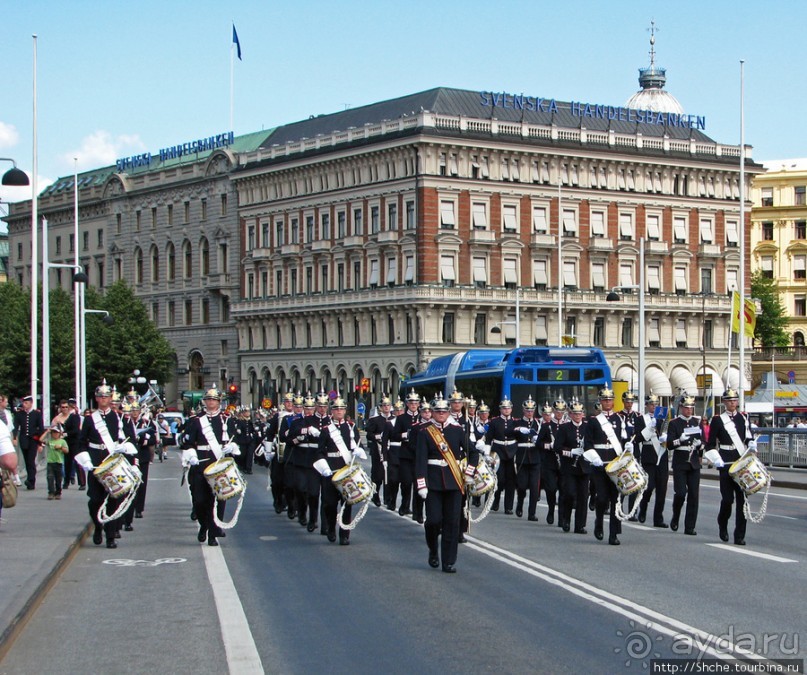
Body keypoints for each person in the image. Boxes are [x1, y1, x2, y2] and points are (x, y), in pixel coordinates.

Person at [415, 395, 478, 573]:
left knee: (452, 523)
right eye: (437, 411)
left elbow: (473, 454)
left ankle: (448, 561)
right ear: (432, 413)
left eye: (444, 411)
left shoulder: (457, 430)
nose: (441, 414)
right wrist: (421, 484)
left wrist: (469, 473)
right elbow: (420, 460)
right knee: (433, 521)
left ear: (448, 412)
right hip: (433, 483)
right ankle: (433, 549)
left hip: (454, 482)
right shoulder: (425, 432)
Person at [182, 386, 239, 546]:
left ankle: (213, 533)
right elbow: (187, 442)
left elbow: (235, 440)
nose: (211, 402)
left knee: (219, 500)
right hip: (201, 465)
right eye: (208, 400)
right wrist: (192, 454)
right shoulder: (196, 421)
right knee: (200, 501)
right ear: (205, 402)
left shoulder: (227, 420)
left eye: (214, 400)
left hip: (219, 466)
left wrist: (232, 447)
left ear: (219, 402)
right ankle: (203, 525)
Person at [78, 380, 131, 548]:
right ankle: (98, 525)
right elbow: (81, 442)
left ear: (110, 398)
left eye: (106, 397)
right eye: (100, 397)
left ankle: (110, 536)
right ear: (96, 398)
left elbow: (123, 437)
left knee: (114, 499)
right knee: (95, 499)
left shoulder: (117, 417)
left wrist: (124, 447)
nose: (103, 399)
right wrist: (84, 459)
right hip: (95, 461)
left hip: (112, 462)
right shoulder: (89, 419)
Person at [312, 396, 365, 544]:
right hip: (331, 469)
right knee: (329, 503)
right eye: (336, 409)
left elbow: (354, 444)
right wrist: (324, 467)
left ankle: (344, 534)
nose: (339, 411)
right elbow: (320, 451)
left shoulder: (350, 427)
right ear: (332, 411)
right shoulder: (326, 430)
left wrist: (358, 451)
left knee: (347, 503)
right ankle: (330, 527)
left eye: (342, 409)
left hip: (345, 470)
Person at [706, 388, 755, 546]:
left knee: (742, 501)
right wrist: (716, 459)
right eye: (729, 401)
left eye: (735, 401)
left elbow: (748, 437)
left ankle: (739, 535)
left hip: (740, 463)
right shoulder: (718, 420)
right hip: (725, 462)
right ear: (724, 402)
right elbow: (710, 444)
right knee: (727, 500)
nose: (732, 403)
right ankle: (722, 523)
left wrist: (752, 443)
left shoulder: (743, 418)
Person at [585, 387, 627, 545]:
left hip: (615, 466)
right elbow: (587, 443)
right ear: (600, 402)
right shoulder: (594, 421)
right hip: (600, 465)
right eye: (604, 400)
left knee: (616, 500)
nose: (607, 402)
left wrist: (629, 448)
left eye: (610, 400)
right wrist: (593, 456)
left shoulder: (619, 420)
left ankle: (614, 534)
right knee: (602, 498)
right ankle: (599, 521)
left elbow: (625, 440)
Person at [666, 393, 702, 535]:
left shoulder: (696, 422)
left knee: (694, 495)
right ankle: (676, 516)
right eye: (686, 408)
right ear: (681, 408)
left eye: (691, 408)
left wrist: (700, 446)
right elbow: (669, 444)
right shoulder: (674, 423)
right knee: (681, 493)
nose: (689, 410)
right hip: (680, 461)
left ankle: (690, 526)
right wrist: (680, 440)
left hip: (693, 463)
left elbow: (702, 441)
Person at [554, 398, 589, 534]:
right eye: (575, 413)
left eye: (580, 413)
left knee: (583, 496)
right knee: (569, 494)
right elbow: (557, 447)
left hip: (584, 466)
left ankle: (580, 525)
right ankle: (566, 519)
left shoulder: (587, 427)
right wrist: (571, 452)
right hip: (569, 467)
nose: (578, 415)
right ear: (570, 414)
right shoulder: (564, 428)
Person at [634, 393, 668, 527]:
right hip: (649, 456)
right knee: (649, 487)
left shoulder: (663, 417)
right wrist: (650, 428)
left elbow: (668, 432)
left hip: (662, 454)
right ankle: (643, 507)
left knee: (662, 489)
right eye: (651, 404)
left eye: (655, 404)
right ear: (647, 405)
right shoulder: (641, 419)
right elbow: (638, 438)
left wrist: (666, 437)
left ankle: (658, 518)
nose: (654, 406)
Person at [390, 389, 422, 516]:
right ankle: (404, 505)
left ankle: (417, 512)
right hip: (406, 455)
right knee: (406, 483)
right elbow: (394, 435)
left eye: (415, 403)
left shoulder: (422, 417)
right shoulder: (402, 418)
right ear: (407, 404)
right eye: (411, 403)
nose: (413, 405)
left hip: (419, 455)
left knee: (418, 484)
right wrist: (405, 435)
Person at [485, 397, 518, 514]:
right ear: (500, 409)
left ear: (511, 409)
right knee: (499, 479)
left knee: (511, 480)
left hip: (512, 451)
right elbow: (489, 439)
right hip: (498, 452)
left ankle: (508, 507)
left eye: (508, 408)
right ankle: (495, 501)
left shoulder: (515, 422)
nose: (506, 410)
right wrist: (487, 453)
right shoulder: (494, 422)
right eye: (504, 408)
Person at [514, 396, 541, 521]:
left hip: (535, 458)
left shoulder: (539, 423)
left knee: (534, 488)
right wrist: (519, 429)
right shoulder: (518, 422)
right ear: (523, 410)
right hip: (522, 457)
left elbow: (544, 438)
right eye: (527, 410)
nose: (529, 412)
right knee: (522, 486)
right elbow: (508, 432)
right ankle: (520, 503)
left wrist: (538, 440)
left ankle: (532, 513)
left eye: (532, 410)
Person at [364, 394, 394, 508]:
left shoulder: (394, 419)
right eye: (384, 405)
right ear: (380, 407)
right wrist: (377, 436)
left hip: (390, 450)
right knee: (378, 475)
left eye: (388, 405)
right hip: (378, 450)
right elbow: (368, 434)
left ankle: (388, 497)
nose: (386, 407)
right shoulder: (375, 420)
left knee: (390, 474)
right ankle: (375, 495)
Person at [13, 395, 44, 490]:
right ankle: (30, 480)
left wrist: (40, 443)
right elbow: (16, 426)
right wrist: (14, 437)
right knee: (27, 461)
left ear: (31, 403)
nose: (24, 404)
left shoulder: (37, 414)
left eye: (26, 403)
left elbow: (41, 428)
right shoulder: (19, 414)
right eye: (23, 403)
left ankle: (31, 480)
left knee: (31, 460)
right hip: (23, 439)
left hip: (33, 440)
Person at [39, 423, 69, 500]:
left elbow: (66, 451)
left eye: (56, 432)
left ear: (59, 433)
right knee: (50, 477)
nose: (55, 434)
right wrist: (47, 432)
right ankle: (51, 492)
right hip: (50, 462)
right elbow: (41, 440)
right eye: (53, 433)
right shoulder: (50, 441)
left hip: (58, 462)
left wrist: (61, 447)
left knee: (58, 478)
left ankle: (58, 492)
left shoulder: (62, 441)